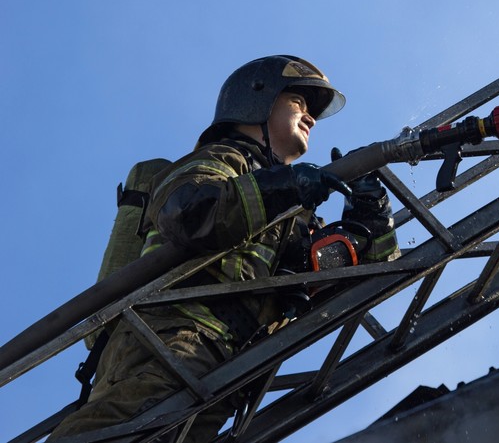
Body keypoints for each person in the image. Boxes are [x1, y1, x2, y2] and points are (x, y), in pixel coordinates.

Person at [47, 55, 398, 442]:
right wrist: (283, 185)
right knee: (113, 433)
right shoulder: (224, 159)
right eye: (298, 103)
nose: (311, 118)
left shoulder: (293, 217)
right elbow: (189, 212)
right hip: (169, 345)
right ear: (256, 101)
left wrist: (369, 219)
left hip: (228, 371)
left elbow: (356, 283)